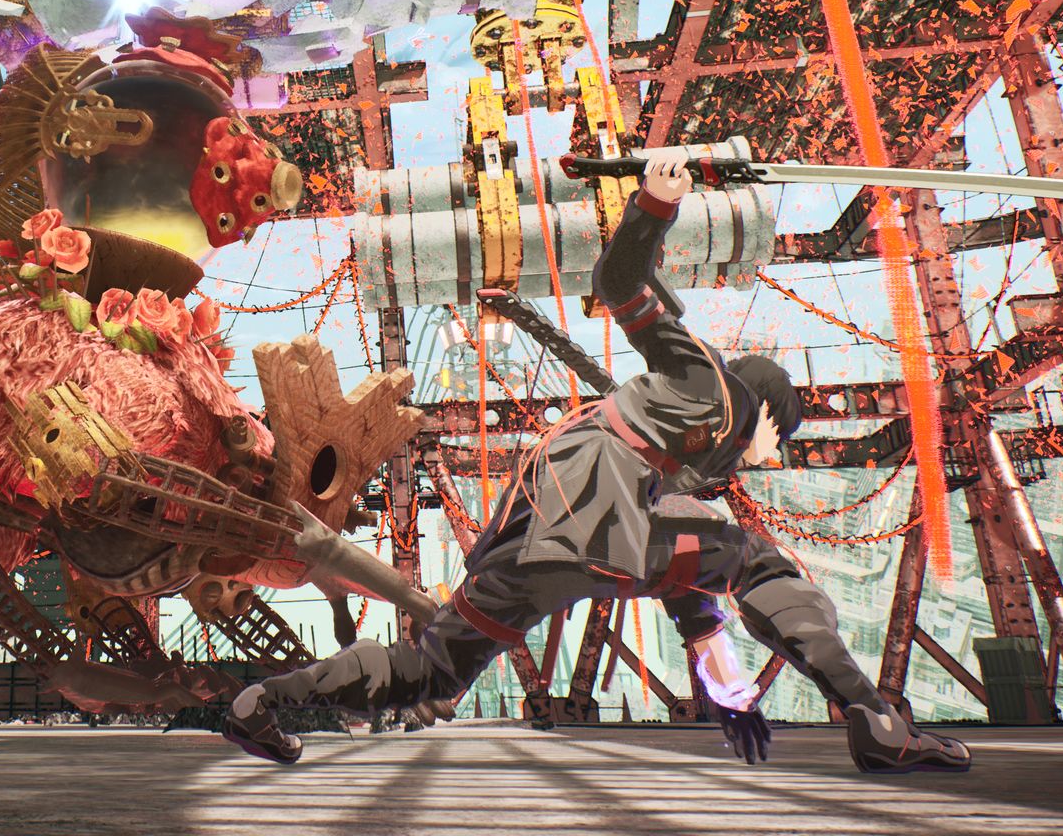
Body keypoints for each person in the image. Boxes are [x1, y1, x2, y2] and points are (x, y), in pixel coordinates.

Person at [224, 150, 971, 774]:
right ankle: (876, 722)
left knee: (428, 670)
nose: (768, 457)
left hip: (524, 553)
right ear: (766, 411)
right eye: (778, 440)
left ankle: (264, 704)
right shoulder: (709, 384)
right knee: (759, 561)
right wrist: (654, 205)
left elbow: (683, 576)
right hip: (592, 534)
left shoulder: (667, 442)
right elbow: (618, 284)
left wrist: (728, 690)